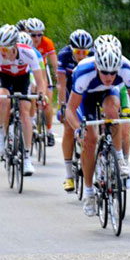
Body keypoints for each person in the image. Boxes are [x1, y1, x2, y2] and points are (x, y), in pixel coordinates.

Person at [65, 42, 130, 216]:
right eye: (105, 72)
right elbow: (70, 110)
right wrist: (77, 130)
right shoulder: (83, 72)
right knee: (90, 139)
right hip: (86, 96)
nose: (109, 76)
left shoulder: (126, 68)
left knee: (112, 111)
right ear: (96, 66)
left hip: (109, 93)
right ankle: (88, 192)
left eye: (113, 72)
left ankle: (118, 158)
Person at [0, 24, 46, 175]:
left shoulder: (27, 52)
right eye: (1, 48)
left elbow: (40, 80)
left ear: (14, 46)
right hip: (4, 78)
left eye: (5, 49)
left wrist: (41, 95)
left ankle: (26, 156)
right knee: (3, 100)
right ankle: (2, 135)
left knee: (25, 113)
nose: (3, 52)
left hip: (22, 79)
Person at [57, 29, 93, 192]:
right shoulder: (64, 56)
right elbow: (61, 84)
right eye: (78, 52)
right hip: (72, 91)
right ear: (72, 49)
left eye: (84, 52)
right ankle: (69, 175)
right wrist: (62, 105)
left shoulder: (94, 54)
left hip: (89, 91)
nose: (81, 55)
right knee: (68, 128)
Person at [93, 34, 130, 181]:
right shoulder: (92, 65)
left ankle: (123, 161)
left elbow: (127, 92)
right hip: (96, 93)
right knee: (93, 132)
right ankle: (100, 159)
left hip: (118, 92)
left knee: (124, 129)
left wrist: (128, 111)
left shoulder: (125, 65)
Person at [26, 17, 57, 146]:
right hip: (29, 70)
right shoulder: (24, 42)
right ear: (28, 33)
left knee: (47, 100)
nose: (36, 38)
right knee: (32, 94)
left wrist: (57, 78)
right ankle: (32, 124)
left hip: (43, 70)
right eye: (33, 35)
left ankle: (49, 131)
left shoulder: (47, 42)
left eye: (39, 34)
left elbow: (54, 63)